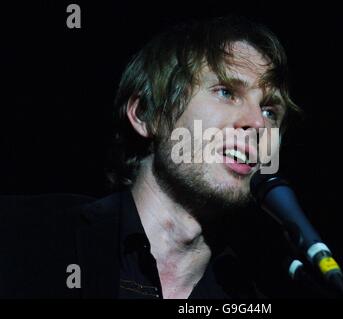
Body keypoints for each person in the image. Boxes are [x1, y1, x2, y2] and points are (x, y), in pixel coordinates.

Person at [0, 16, 304, 299]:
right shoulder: (23, 234)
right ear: (145, 114)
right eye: (226, 92)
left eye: (270, 111)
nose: (258, 123)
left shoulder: (251, 295)